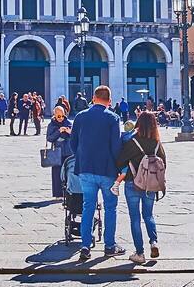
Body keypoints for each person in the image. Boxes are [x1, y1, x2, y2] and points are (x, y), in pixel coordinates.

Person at [70, 86, 125, 261]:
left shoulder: (80, 116)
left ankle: (85, 246)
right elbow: (116, 147)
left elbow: (73, 143)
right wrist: (119, 167)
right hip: (108, 170)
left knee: (88, 206)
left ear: (93, 98)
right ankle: (109, 246)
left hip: (86, 168)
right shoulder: (113, 118)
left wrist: (82, 156)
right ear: (109, 100)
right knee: (110, 207)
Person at [116, 112, 166, 265]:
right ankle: (154, 242)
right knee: (148, 215)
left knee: (135, 218)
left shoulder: (133, 141)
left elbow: (119, 161)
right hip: (150, 185)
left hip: (133, 183)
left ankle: (140, 253)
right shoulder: (157, 144)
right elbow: (163, 163)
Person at [45, 106, 75, 198]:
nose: (61, 118)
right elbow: (49, 138)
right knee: (56, 173)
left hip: (68, 151)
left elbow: (75, 136)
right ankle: (58, 194)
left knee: (69, 173)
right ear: (55, 115)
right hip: (57, 152)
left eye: (62, 116)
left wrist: (70, 132)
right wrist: (58, 131)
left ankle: (69, 193)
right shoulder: (51, 125)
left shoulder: (68, 123)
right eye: (58, 116)